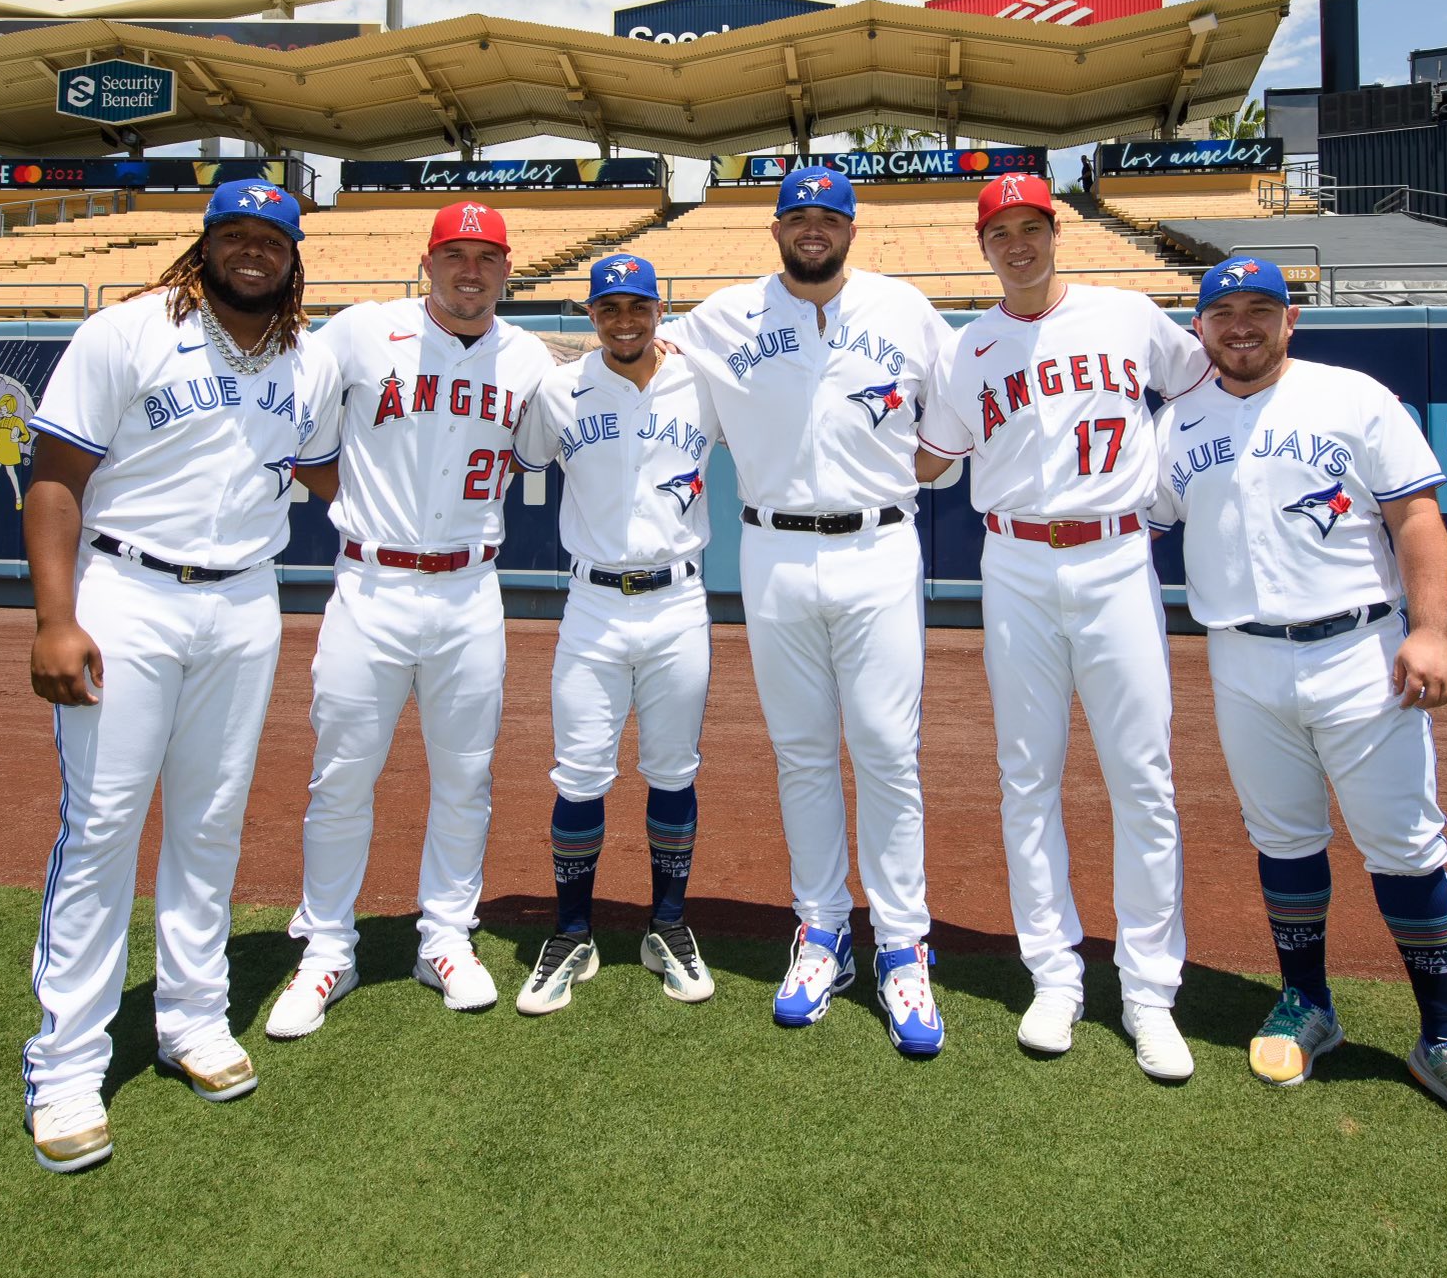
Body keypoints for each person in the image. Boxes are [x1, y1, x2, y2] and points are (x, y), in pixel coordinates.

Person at [1150, 256, 1447, 1157]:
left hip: (1359, 651)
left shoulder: (1355, 397)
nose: (1239, 327)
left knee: (1403, 844)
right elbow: (1137, 521)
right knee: (1282, 837)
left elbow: (1416, 520)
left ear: (1292, 320)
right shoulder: (1177, 424)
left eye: (1259, 310)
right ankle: (1306, 1004)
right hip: (1240, 654)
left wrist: (1432, 630)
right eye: (1222, 315)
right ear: (1198, 330)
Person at [16, 180, 335, 1174]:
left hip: (245, 598)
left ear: (290, 253)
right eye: (233, 235)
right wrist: (56, 618)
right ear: (205, 245)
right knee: (104, 821)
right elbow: (55, 476)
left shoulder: (309, 358)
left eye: (270, 238)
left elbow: (330, 473)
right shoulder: (128, 330)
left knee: (210, 816)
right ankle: (65, 1064)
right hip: (128, 589)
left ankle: (193, 1017)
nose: (253, 251)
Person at [913, 172, 1210, 1081]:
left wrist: (1160, 483)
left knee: (1142, 774)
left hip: (1117, 556)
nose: (1017, 243)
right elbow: (931, 463)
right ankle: (1053, 973)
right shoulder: (967, 351)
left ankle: (1149, 991)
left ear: (1055, 232)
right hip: (1013, 561)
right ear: (983, 246)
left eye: (1030, 226)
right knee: (1025, 773)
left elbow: (1205, 386)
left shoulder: (1127, 316)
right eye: (999, 231)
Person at [665, 165, 949, 1057]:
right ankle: (820, 929)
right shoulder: (718, 318)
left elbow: (956, 420)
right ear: (777, 229)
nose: (813, 229)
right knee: (799, 752)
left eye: (829, 216)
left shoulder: (907, 311)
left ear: (853, 229)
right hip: (773, 546)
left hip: (878, 543)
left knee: (885, 748)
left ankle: (902, 941)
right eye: (799, 217)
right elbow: (627, 349)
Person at [267, 200, 554, 1035]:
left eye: (487, 258)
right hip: (372, 584)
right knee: (341, 776)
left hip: (471, 588)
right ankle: (326, 949)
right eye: (455, 255)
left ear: (507, 271)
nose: (471, 270)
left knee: (466, 776)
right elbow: (305, 445)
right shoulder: (360, 331)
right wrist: (359, 507)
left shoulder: (528, 353)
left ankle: (445, 935)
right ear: (426, 262)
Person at [504, 254, 720, 1014]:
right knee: (580, 773)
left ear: (660, 309)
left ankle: (666, 925)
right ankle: (570, 933)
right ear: (590, 316)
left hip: (676, 601)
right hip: (592, 603)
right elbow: (525, 453)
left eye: (637, 307)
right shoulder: (559, 390)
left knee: (672, 769)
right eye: (608, 309)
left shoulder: (705, 381)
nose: (623, 321)